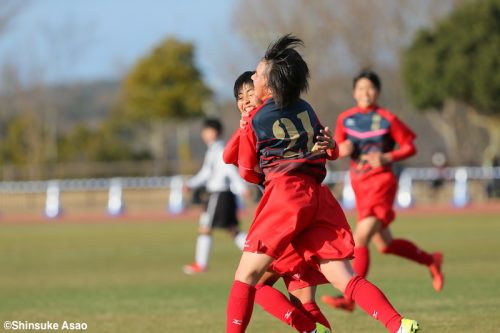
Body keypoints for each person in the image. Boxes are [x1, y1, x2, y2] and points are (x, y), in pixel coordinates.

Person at [225, 34, 420, 333]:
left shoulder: (256, 120)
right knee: (344, 278)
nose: (253, 76)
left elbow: (248, 174)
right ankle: (398, 324)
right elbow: (328, 150)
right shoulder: (304, 107)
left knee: (246, 277)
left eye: (258, 73)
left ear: (271, 84)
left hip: (284, 198)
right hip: (318, 198)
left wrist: (253, 148)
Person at [321, 70, 444, 312]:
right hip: (360, 184)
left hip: (382, 183)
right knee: (385, 244)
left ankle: (350, 297)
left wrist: (388, 156)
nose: (365, 93)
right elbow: (336, 148)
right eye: (360, 89)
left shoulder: (387, 118)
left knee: (361, 237)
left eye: (370, 88)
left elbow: (410, 146)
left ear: (377, 92)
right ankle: (431, 260)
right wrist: (338, 149)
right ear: (354, 92)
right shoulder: (345, 119)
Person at [225, 70, 332, 333]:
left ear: (266, 91)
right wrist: (243, 127)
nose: (246, 99)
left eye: (251, 92)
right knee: (303, 299)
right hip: (302, 211)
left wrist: (246, 127)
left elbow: (236, 163)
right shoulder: (270, 119)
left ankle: (309, 329)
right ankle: (311, 327)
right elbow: (229, 155)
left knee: (251, 282)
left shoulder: (264, 121)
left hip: (284, 215)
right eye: (240, 96)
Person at [182, 118, 248, 274]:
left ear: (214, 132)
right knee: (233, 230)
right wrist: (191, 184)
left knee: (205, 228)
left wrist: (241, 187)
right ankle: (262, 256)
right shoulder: (212, 150)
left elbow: (229, 170)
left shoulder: (219, 150)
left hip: (219, 194)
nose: (203, 134)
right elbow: (206, 173)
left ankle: (201, 264)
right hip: (220, 195)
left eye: (206, 131)